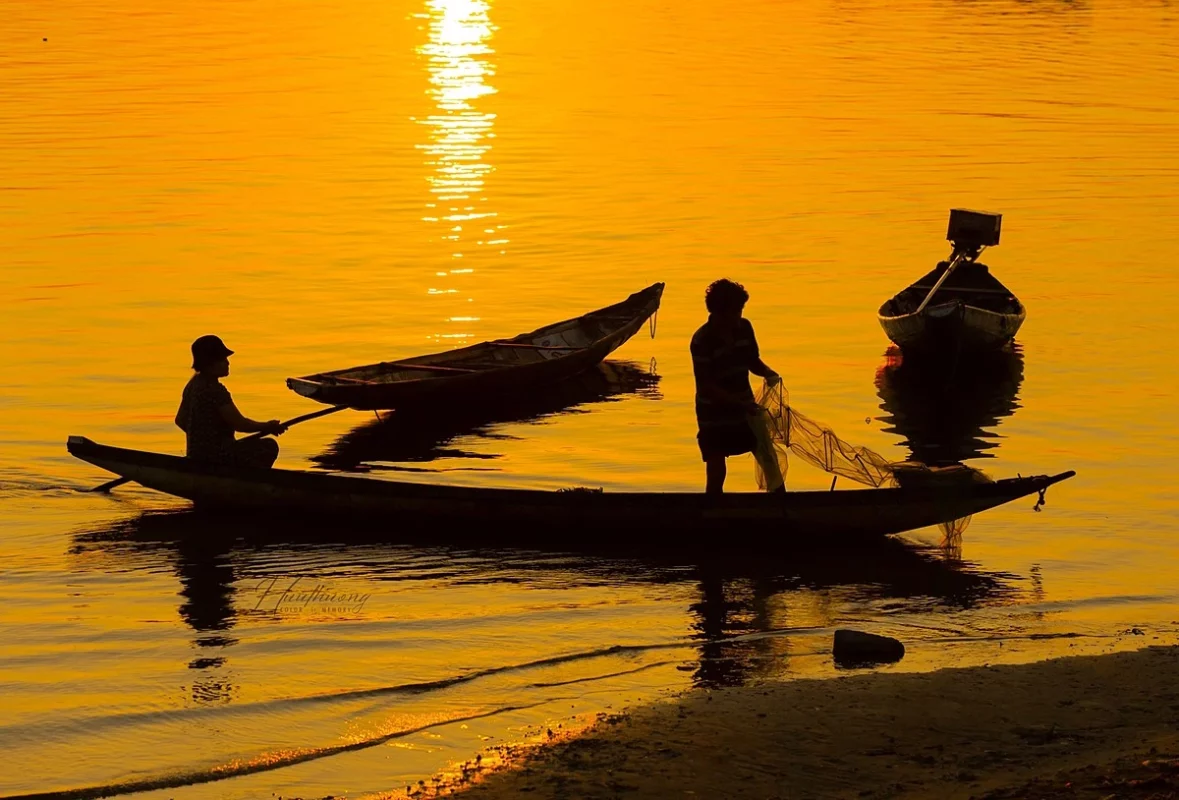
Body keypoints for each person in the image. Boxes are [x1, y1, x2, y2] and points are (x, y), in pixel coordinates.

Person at [690, 279, 782, 494]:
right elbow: (707, 387)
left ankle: (780, 504)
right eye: (736, 310)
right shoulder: (702, 340)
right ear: (721, 312)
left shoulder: (744, 328)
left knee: (768, 458)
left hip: (745, 406)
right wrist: (740, 404)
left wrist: (769, 373)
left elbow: (752, 361)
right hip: (713, 412)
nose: (740, 315)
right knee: (716, 469)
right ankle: (713, 511)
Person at [175, 335, 287, 468]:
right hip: (216, 458)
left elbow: (180, 421)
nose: (227, 363)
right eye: (223, 359)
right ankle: (247, 481)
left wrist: (206, 437)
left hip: (196, 455)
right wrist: (267, 426)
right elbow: (240, 424)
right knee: (269, 446)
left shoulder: (192, 385)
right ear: (210, 363)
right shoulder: (215, 390)